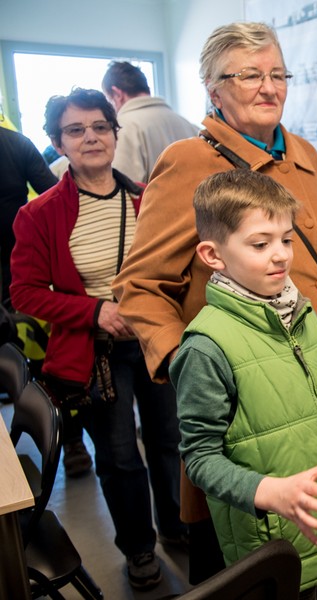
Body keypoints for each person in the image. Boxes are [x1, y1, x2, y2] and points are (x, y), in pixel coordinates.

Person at [112, 21, 317, 583]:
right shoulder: (189, 162)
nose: (268, 86)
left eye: (278, 73)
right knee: (245, 555)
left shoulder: (302, 152)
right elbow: (138, 284)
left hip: (312, 381)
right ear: (213, 88)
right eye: (250, 74)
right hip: (245, 401)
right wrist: (187, 363)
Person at [9, 88, 187, 591]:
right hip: (96, 354)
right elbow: (23, 292)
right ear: (57, 143)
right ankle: (138, 548)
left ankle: (174, 524)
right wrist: (95, 310)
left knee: (168, 440)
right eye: (76, 130)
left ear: (115, 133)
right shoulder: (39, 214)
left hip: (154, 340)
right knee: (119, 457)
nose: (90, 137)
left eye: (100, 127)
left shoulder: (146, 198)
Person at [170, 169, 317, 598]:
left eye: (287, 240)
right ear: (213, 255)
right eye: (261, 244)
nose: (281, 256)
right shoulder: (206, 348)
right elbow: (200, 458)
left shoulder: (303, 314)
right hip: (268, 539)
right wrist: (267, 491)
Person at [101, 60, 199, 183]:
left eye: (108, 99)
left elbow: (126, 189)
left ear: (117, 94)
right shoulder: (189, 125)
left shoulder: (123, 127)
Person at [0, 126, 57, 309]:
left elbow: (55, 197)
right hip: (13, 251)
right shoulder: (17, 142)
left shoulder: (18, 143)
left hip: (14, 253)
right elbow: (54, 195)